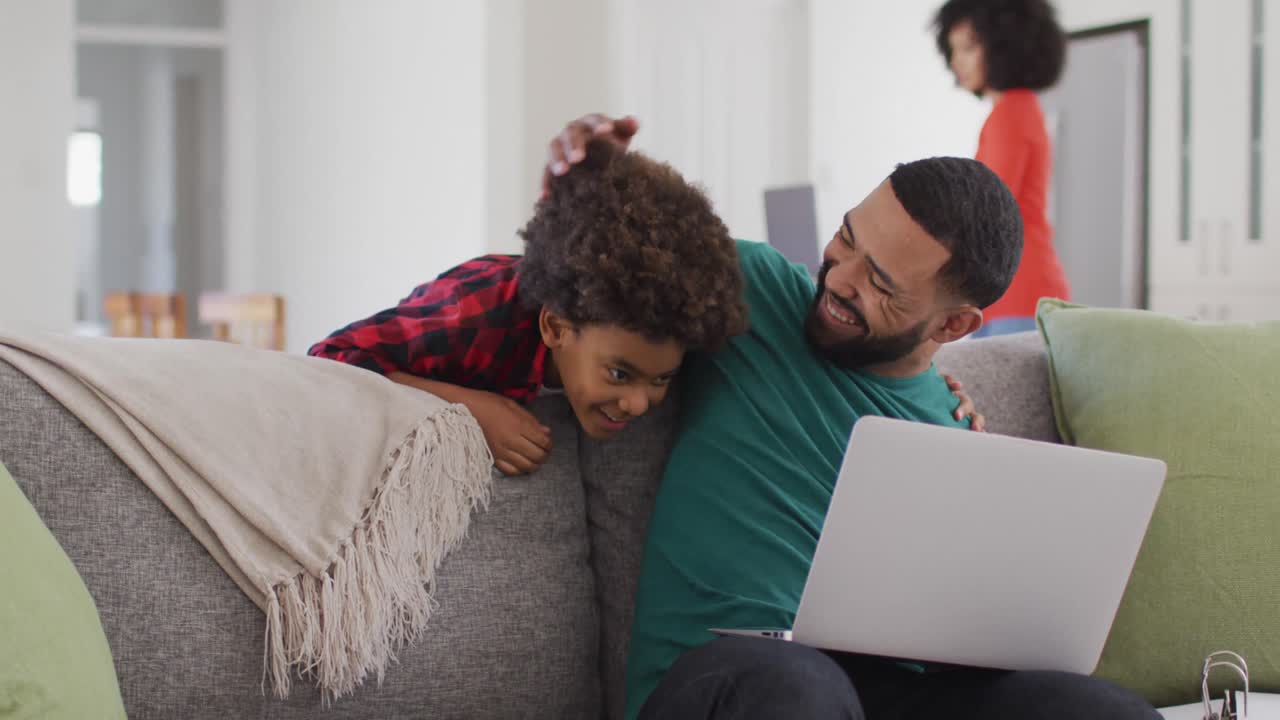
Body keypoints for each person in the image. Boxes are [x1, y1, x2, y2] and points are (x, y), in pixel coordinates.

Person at [545, 115, 1160, 720]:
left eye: (881, 284)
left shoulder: (956, 434)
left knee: (1086, 706)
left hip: (886, 691)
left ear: (952, 325)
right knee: (799, 685)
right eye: (847, 238)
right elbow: (588, 275)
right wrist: (581, 181)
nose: (839, 279)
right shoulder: (750, 290)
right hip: (732, 678)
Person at [309, 140, 748, 476]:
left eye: (660, 379)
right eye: (619, 374)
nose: (637, 403)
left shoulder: (659, 333)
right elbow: (331, 359)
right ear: (555, 327)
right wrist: (471, 411)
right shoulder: (473, 311)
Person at [936, 0, 1071, 337]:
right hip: (1017, 291)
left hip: (1017, 293)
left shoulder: (1010, 113)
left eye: (968, 48)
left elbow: (985, 209)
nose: (956, 62)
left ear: (1003, 48)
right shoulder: (1020, 108)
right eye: (953, 50)